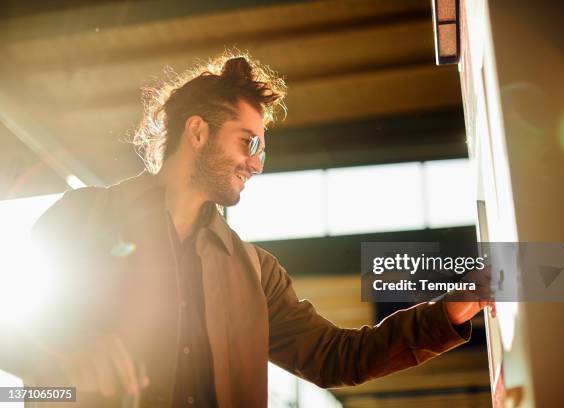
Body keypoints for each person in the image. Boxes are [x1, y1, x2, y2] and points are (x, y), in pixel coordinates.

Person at [5, 52, 493, 407]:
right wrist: (63, 355)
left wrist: (447, 312)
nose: (256, 164)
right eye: (248, 143)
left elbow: (335, 357)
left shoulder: (257, 273)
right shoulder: (82, 217)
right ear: (197, 132)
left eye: (261, 149)